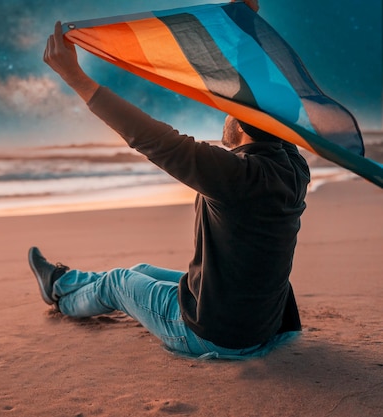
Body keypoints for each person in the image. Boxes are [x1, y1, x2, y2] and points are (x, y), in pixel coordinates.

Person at [29, 0, 310, 359]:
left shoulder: (237, 176)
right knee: (143, 271)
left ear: (240, 123)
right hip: (263, 323)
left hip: (217, 335)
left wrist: (75, 78)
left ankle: (57, 292)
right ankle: (69, 281)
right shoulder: (293, 167)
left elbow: (151, 137)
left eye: (230, 112)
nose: (224, 117)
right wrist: (245, 28)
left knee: (119, 281)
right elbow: (263, 95)